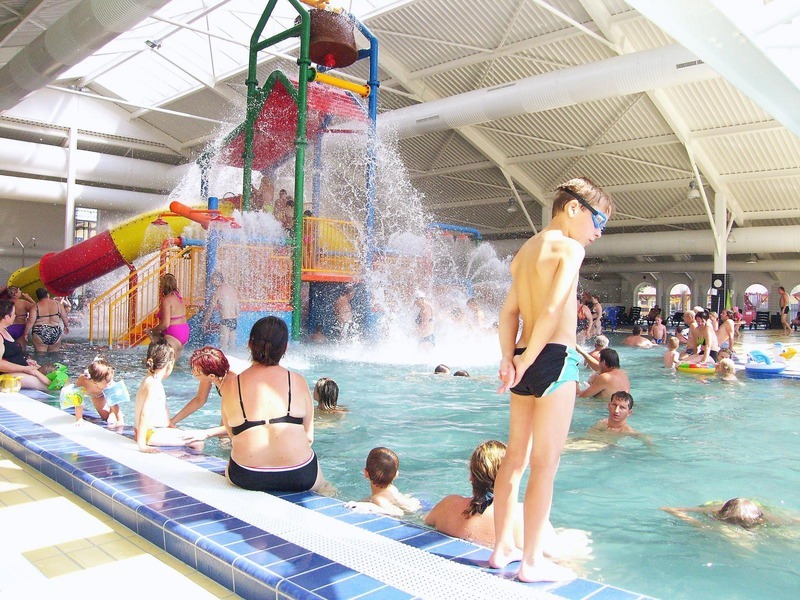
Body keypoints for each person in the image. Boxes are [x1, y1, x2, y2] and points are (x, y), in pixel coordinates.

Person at [493, 177, 612, 582]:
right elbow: (552, 309)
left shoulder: (525, 252)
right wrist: (527, 362)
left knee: (514, 459)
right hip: (554, 358)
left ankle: (501, 549)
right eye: (599, 221)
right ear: (574, 208)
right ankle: (531, 563)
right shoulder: (571, 248)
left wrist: (511, 360)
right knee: (545, 465)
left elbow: (509, 314)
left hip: (523, 354)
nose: (598, 232)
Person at [424, 440, 591, 562]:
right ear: (511, 478)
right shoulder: (524, 516)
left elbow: (425, 521)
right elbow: (556, 556)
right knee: (577, 538)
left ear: (471, 477)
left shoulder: (448, 505)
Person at [221, 316, 328, 493]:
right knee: (325, 486)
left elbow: (233, 436)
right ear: (285, 348)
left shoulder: (231, 385)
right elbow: (309, 437)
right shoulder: (297, 381)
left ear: (249, 344)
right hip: (300, 475)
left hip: (246, 475)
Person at [134, 341, 211, 452]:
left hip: (152, 432)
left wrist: (170, 424)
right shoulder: (153, 385)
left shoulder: (150, 380)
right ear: (170, 364)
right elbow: (144, 414)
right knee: (198, 443)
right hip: (151, 434)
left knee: (186, 434)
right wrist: (142, 445)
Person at [170, 346, 239, 428]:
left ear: (211, 376)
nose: (193, 374)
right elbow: (200, 399)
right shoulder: (214, 368)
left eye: (197, 374)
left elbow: (228, 425)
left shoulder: (233, 384)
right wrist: (173, 421)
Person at [346, 447, 420, 517]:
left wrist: (371, 507)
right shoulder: (392, 489)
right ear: (396, 475)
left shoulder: (378, 499)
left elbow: (398, 513)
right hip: (416, 505)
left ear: (366, 473)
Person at [0, 299, 50, 391]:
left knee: (54, 376)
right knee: (47, 386)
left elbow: (8, 355)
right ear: (6, 317)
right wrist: (24, 369)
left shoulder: (4, 330)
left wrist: (26, 361)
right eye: (14, 313)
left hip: (19, 369)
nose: (15, 316)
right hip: (5, 375)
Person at [59, 357, 124, 426]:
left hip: (100, 394)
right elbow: (78, 400)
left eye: (110, 381)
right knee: (75, 396)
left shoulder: (108, 381)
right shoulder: (83, 380)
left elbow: (114, 401)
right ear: (94, 382)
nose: (110, 384)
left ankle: (115, 414)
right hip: (95, 395)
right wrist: (79, 419)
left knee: (108, 418)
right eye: (107, 382)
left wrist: (119, 420)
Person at [148, 273, 189, 359]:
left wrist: (152, 330)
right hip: (184, 332)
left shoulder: (167, 300)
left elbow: (165, 324)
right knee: (173, 364)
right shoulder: (179, 298)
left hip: (173, 334)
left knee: (160, 362)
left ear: (163, 286)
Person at [202, 272, 239, 350]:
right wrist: (236, 317)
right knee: (232, 347)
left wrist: (205, 322)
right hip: (234, 320)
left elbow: (211, 308)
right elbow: (237, 306)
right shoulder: (231, 289)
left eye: (213, 280)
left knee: (223, 347)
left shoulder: (218, 291)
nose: (212, 282)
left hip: (225, 320)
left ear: (217, 279)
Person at [25, 287, 69, 353]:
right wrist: (66, 326)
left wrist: (26, 333)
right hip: (55, 330)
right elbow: (64, 317)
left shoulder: (36, 306)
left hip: (40, 331)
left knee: (40, 355)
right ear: (47, 295)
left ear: (38, 297)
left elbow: (31, 321)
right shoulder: (58, 304)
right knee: (54, 354)